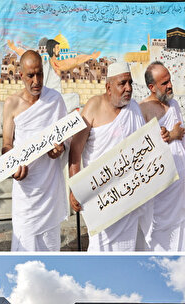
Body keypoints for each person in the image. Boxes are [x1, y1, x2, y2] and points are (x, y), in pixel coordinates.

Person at [68, 61, 155, 251]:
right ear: (108, 87)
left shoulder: (134, 109)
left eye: (130, 83)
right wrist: (75, 188)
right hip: (100, 195)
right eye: (122, 83)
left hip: (129, 192)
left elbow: (145, 145)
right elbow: (75, 150)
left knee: (129, 246)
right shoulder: (93, 107)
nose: (128, 88)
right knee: (101, 247)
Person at [1, 50, 68, 251]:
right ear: (21, 75)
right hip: (26, 188)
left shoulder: (55, 100)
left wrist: (59, 149)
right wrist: (13, 167)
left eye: (40, 74)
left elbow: (64, 139)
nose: (36, 80)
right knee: (24, 241)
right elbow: (6, 144)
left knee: (50, 244)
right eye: (31, 75)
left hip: (49, 186)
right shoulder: (11, 103)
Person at [139, 61, 185, 251]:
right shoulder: (142, 109)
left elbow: (183, 140)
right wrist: (171, 136)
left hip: (181, 186)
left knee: (181, 232)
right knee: (159, 236)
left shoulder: (174, 103)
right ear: (152, 87)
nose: (169, 85)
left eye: (169, 80)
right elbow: (141, 150)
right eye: (164, 83)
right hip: (162, 188)